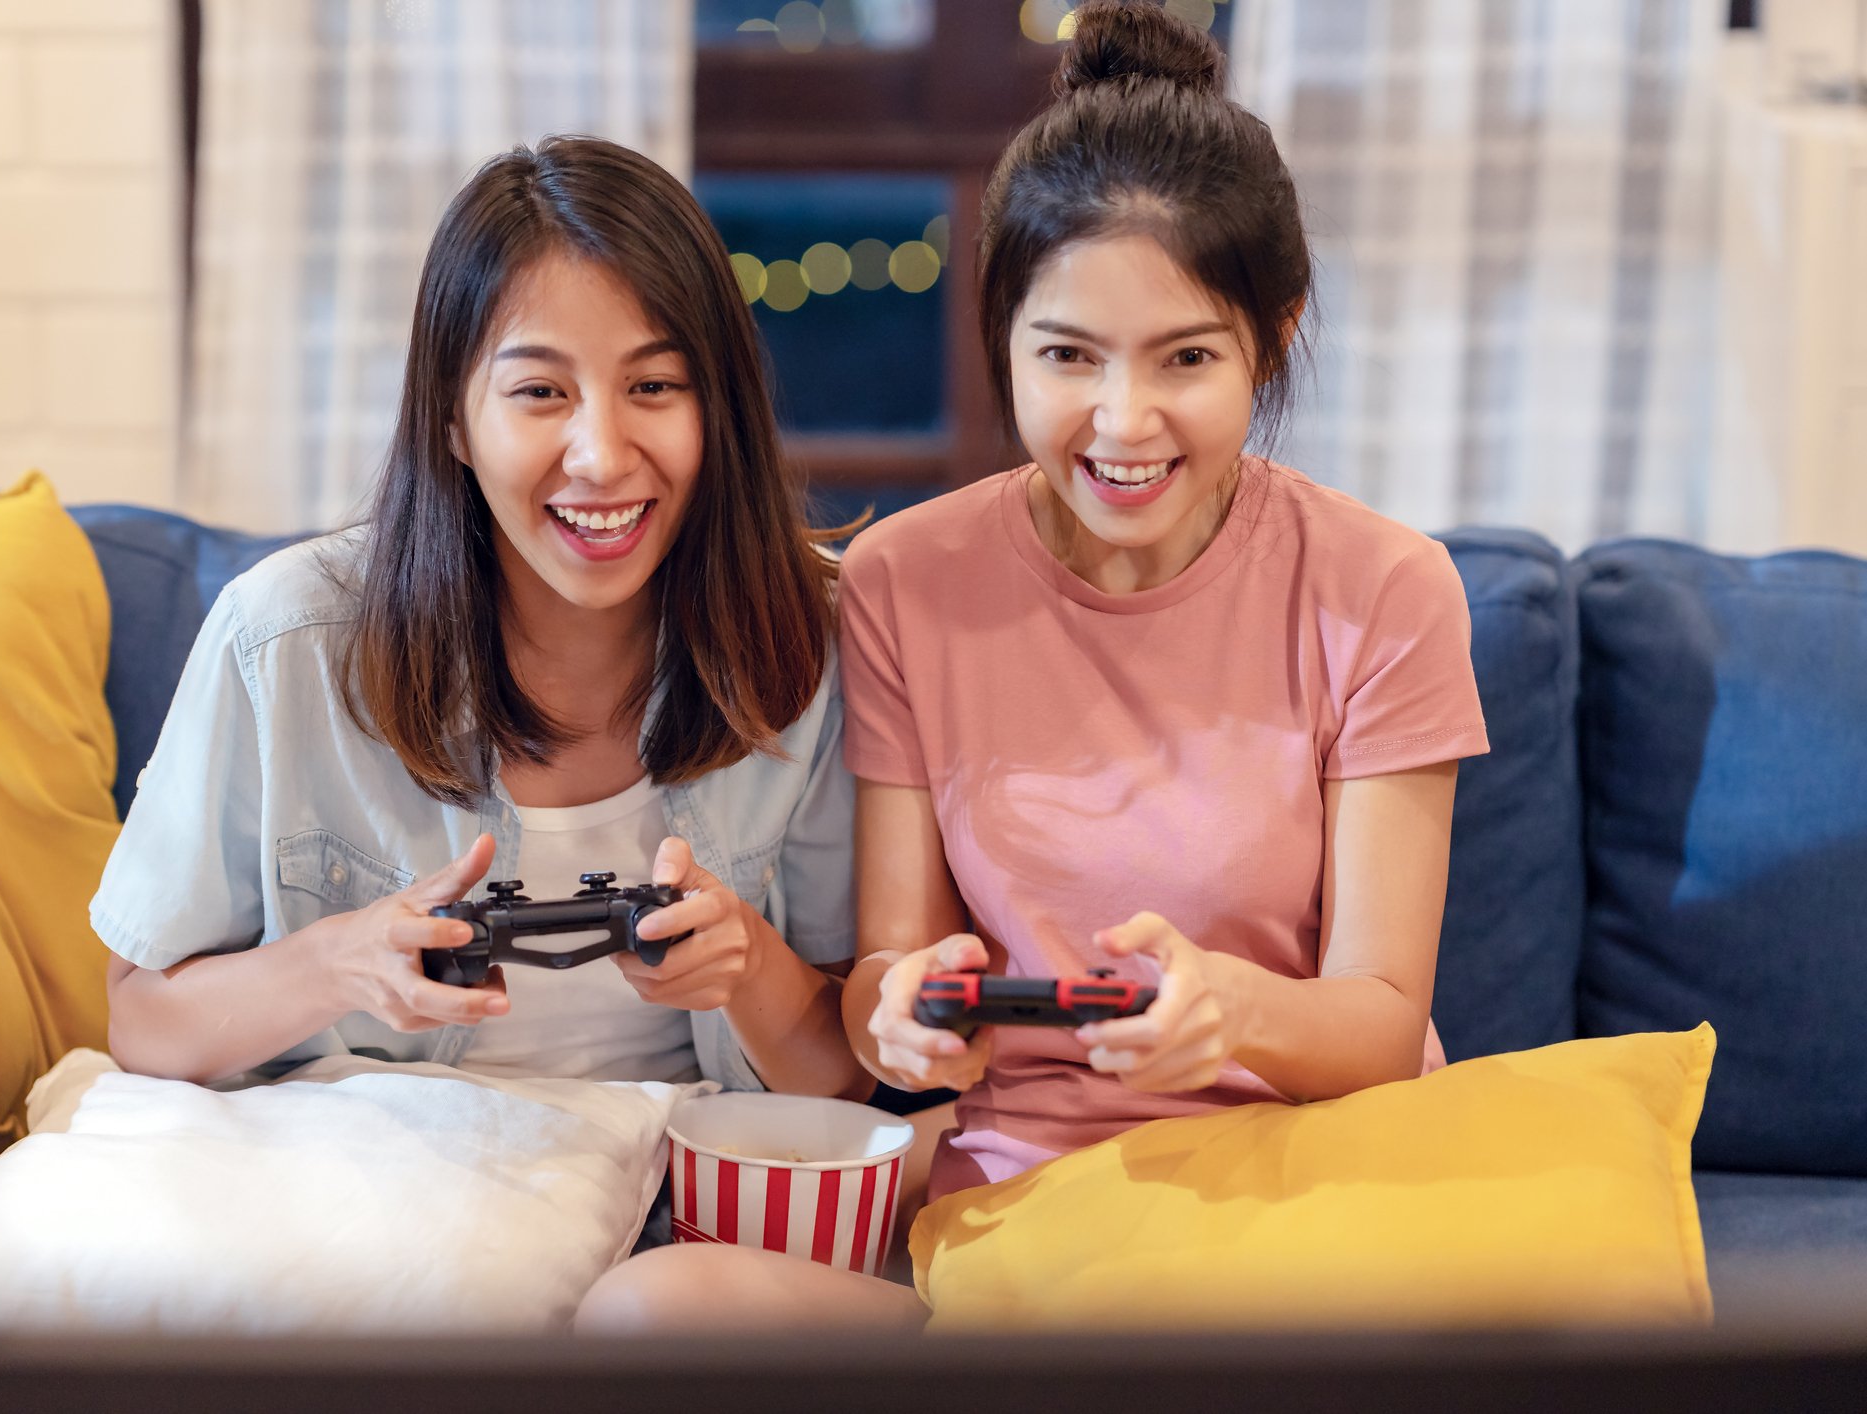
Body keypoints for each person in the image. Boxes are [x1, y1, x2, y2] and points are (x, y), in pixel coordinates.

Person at [575, 0, 1488, 1331]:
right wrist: (902, 1017)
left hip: (1307, 1197)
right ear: (999, 334)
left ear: (1274, 337)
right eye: (1067, 356)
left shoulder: (1384, 588)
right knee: (652, 1314)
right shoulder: (907, 581)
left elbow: (1383, 1021)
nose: (1122, 421)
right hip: (1026, 1216)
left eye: (1186, 358)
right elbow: (890, 969)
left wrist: (1231, 1014)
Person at [94, 136, 868, 1106]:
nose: (600, 456)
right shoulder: (282, 638)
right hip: (367, 1167)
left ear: (721, 413)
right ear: (453, 420)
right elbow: (141, 1021)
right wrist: (339, 962)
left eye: (654, 387)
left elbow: (843, 1082)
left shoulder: (811, 639)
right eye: (540, 392)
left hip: (668, 1177)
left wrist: (748, 967)